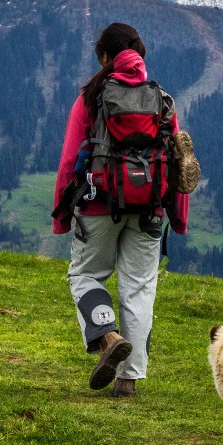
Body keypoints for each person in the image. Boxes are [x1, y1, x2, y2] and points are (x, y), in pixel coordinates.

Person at [51, 22, 189, 397]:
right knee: (139, 289)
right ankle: (128, 381)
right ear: (140, 54)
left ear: (105, 57)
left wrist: (61, 215)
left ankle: (106, 336)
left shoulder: (91, 98)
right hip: (151, 209)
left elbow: (68, 161)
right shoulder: (161, 100)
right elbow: (177, 162)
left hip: (98, 203)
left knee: (86, 276)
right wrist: (178, 216)